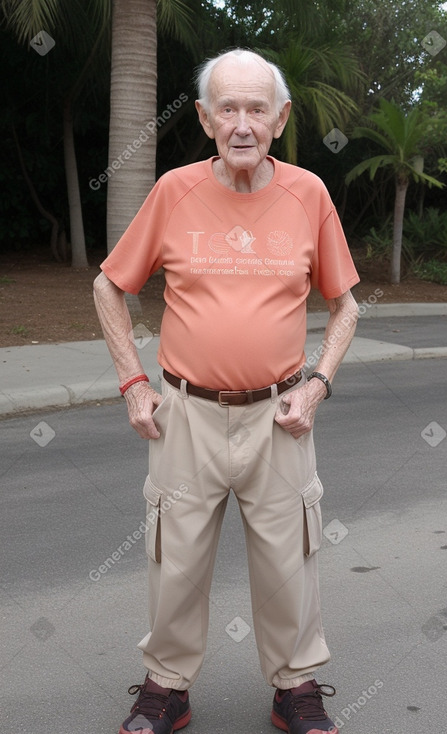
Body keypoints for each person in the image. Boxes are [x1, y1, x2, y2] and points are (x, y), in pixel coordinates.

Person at [94, 47, 359, 734]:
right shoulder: (173, 191)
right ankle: (166, 688)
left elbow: (347, 304)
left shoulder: (309, 195)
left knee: (289, 561)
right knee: (173, 560)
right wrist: (132, 385)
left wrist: (317, 384)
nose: (243, 123)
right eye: (228, 109)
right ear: (207, 118)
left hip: (281, 415)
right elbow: (109, 286)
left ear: (280, 117)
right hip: (185, 414)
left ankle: (294, 688)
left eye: (257, 109)